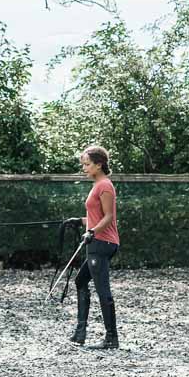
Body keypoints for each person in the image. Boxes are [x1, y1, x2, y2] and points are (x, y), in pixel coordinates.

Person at [69, 145, 121, 349]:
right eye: (84, 164)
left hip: (102, 242)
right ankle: (80, 333)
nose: (84, 168)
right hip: (97, 240)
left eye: (87, 164)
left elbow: (109, 217)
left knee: (102, 289)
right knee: (81, 281)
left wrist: (91, 231)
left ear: (99, 165)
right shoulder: (97, 185)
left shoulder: (105, 185)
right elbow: (96, 216)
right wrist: (80, 221)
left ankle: (111, 338)